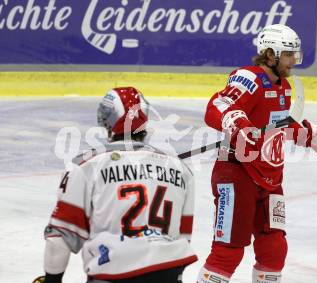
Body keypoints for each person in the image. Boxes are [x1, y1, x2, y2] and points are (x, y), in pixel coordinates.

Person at [196, 24, 317, 283]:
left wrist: (312, 137)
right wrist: (237, 122)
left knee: (274, 249)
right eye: (288, 54)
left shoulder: (283, 86)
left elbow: (281, 125)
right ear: (270, 55)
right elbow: (219, 105)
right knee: (229, 250)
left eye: (295, 54)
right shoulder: (248, 78)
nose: (294, 60)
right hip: (237, 174)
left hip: (270, 179)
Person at [33, 87, 197, 283]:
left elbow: (60, 236)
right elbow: (183, 236)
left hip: (114, 272)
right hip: (169, 270)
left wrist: (53, 280)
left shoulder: (85, 166)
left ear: (107, 120)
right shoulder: (181, 169)